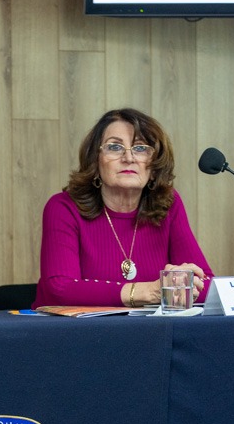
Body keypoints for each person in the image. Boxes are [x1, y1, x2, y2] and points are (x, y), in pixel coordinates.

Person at [33, 108, 212, 309]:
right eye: (115, 147)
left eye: (141, 148)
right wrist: (148, 291)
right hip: (76, 336)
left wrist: (187, 283)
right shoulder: (63, 208)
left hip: (148, 334)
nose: (129, 158)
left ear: (154, 168)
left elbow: (207, 284)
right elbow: (60, 289)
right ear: (96, 161)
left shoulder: (168, 204)